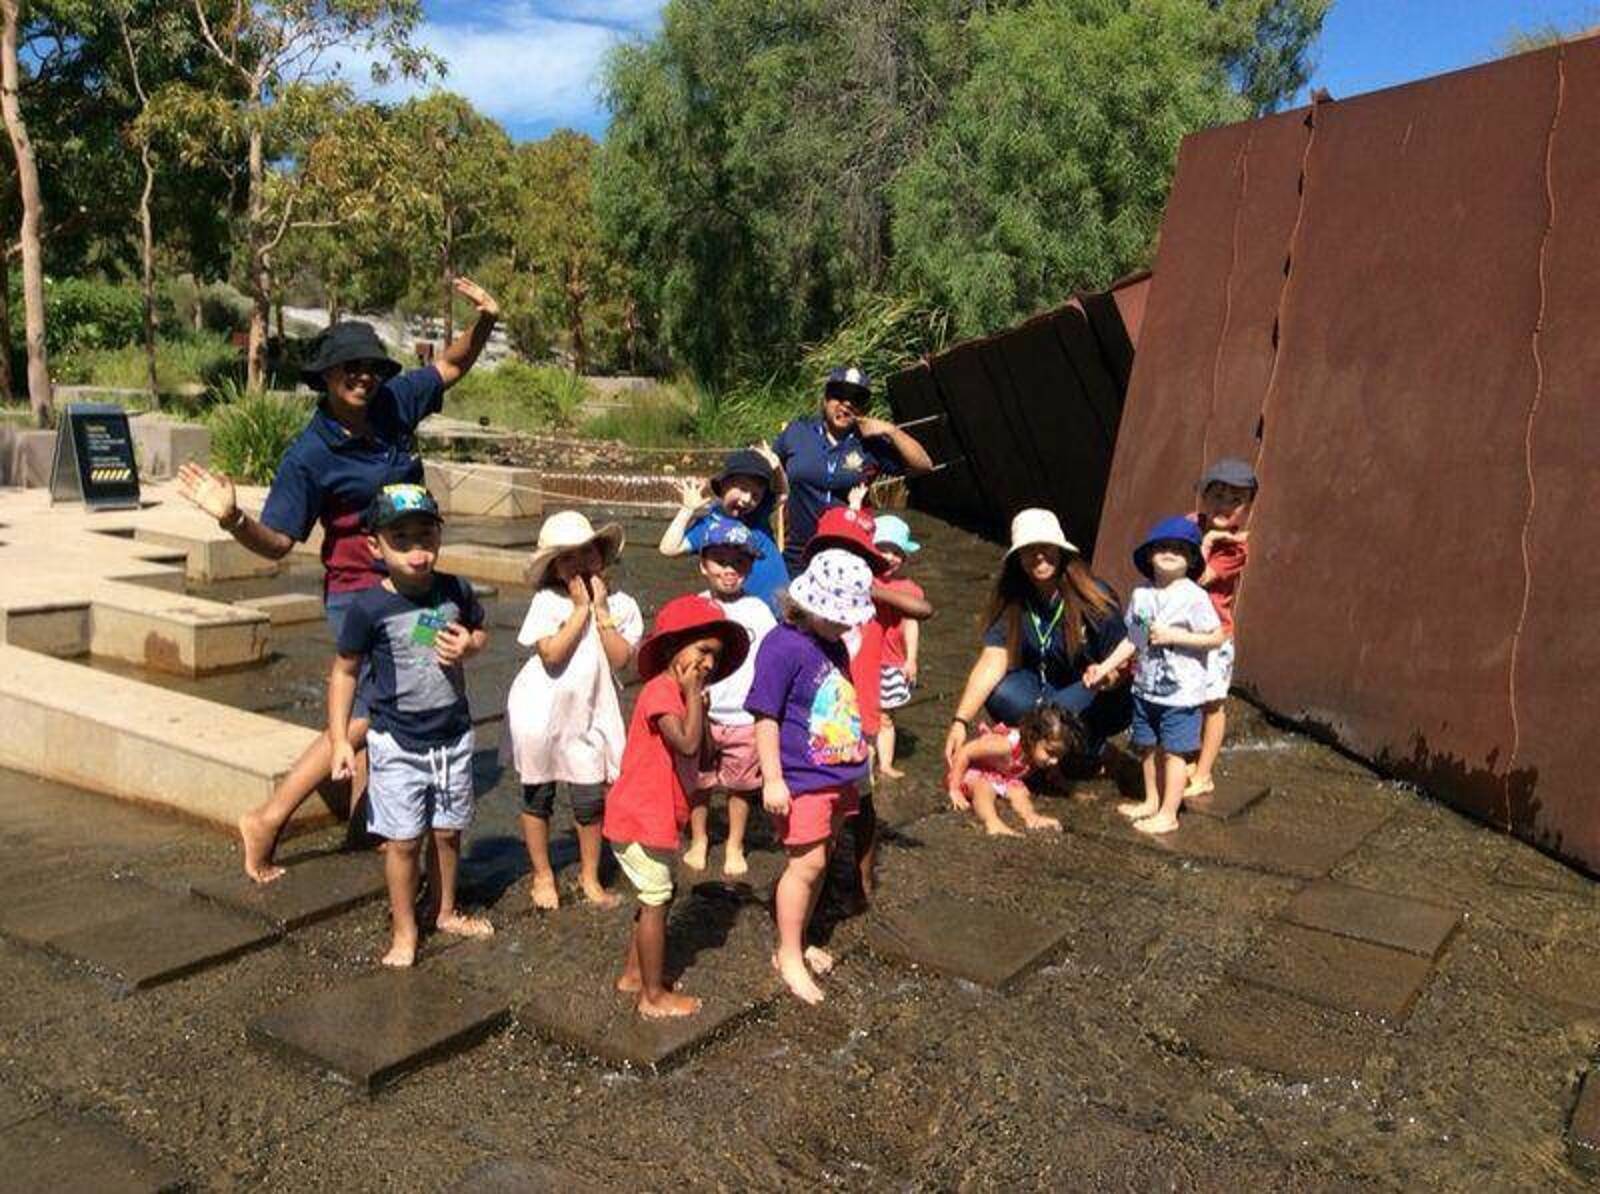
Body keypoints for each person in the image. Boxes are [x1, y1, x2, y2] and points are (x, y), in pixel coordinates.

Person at [176, 279, 501, 883]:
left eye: (371, 367)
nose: (363, 377)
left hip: (415, 583)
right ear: (325, 377)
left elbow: (453, 365)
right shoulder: (310, 455)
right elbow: (278, 542)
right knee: (366, 710)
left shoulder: (394, 402)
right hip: (359, 591)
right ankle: (268, 818)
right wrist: (233, 518)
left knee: (413, 684)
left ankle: (369, 820)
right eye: (350, 368)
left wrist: (485, 319)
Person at [326, 485, 493, 966]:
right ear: (375, 546)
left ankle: (444, 910)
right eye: (400, 539)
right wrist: (340, 739)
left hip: (452, 736)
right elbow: (345, 671)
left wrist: (471, 646)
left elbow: (479, 631)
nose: (417, 551)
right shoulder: (368, 608)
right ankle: (404, 929)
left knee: (448, 833)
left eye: (426, 536)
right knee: (402, 842)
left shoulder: (455, 590)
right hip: (397, 741)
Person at [604, 595, 750, 1019]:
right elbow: (685, 743)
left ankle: (634, 975)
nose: (708, 663)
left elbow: (703, 755)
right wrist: (691, 696)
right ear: (672, 647)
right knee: (657, 898)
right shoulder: (660, 691)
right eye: (702, 651)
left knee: (658, 896)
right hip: (640, 815)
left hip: (656, 814)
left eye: (715, 657)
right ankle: (652, 996)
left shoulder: (685, 697)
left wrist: (699, 706)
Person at [746, 549, 875, 1005]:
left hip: (837, 772)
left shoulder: (833, 643)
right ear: (808, 604)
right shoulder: (781, 646)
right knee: (806, 864)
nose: (843, 627)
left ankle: (798, 941)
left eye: (847, 619)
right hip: (801, 777)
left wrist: (860, 742)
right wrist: (772, 779)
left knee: (821, 858)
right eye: (836, 617)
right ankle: (788, 954)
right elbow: (765, 716)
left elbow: (836, 701)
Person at [504, 511, 642, 910]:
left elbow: (621, 659)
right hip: (540, 711)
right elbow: (551, 653)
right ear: (553, 568)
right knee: (538, 793)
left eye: (587, 552)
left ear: (602, 555)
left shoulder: (622, 605)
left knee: (589, 798)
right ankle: (543, 874)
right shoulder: (547, 602)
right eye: (567, 558)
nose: (580, 563)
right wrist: (580, 609)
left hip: (590, 713)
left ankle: (589, 875)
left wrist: (601, 612)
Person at [800, 505, 931, 902]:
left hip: (861, 714)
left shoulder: (872, 596)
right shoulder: (811, 596)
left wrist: (869, 588)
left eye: (856, 554)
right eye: (835, 552)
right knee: (818, 804)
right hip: (816, 718)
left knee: (864, 799)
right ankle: (817, 878)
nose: (845, 562)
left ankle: (863, 877)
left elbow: (923, 610)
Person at [943, 509, 1132, 779]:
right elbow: (993, 659)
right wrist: (960, 721)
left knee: (1051, 717)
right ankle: (1052, 744)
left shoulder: (1095, 597)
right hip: (1042, 689)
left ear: (1060, 551)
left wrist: (1106, 677)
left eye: (1046, 547)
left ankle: (1089, 746)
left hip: (1092, 691)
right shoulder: (1013, 597)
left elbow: (1123, 664)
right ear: (1018, 558)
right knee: (1001, 693)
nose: (1039, 556)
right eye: (1029, 550)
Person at [1084, 516, 1225, 836]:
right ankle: (1151, 800)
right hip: (1145, 688)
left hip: (1181, 694)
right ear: (1149, 555)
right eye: (1162, 547)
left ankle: (1169, 813)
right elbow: (1133, 640)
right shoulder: (1142, 595)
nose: (1170, 553)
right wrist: (1104, 667)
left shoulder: (1194, 596)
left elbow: (1216, 637)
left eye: (1179, 549)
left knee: (1175, 752)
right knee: (1147, 747)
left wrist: (1175, 636)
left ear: (1191, 559)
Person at [681, 521, 777, 877]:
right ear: (703, 565)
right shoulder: (695, 608)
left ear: (750, 567)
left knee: (741, 785)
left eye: (739, 562)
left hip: (743, 716)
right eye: (720, 560)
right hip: (702, 714)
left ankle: (735, 843)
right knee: (699, 781)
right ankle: (699, 838)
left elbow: (771, 661)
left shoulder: (758, 611)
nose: (729, 570)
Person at [771, 366, 933, 575]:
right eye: (839, 394)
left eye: (857, 398)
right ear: (825, 399)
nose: (847, 403)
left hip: (849, 553)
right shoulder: (797, 432)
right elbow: (769, 469)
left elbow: (923, 465)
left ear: (864, 407)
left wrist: (890, 430)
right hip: (797, 554)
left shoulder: (871, 444)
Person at [1184, 458, 1259, 799]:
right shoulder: (1189, 523)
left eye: (1235, 500)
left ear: (1247, 508)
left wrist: (1207, 542)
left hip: (1214, 636)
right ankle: (1188, 759)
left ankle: (1204, 773)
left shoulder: (1234, 547)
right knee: (1185, 698)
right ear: (1203, 496)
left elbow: (1197, 578)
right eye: (1218, 495)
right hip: (1182, 632)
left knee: (1212, 704)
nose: (1224, 505)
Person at [658, 447, 790, 612]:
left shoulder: (758, 514)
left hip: (784, 609)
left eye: (755, 495)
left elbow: (782, 494)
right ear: (723, 485)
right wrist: (687, 509)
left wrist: (777, 469)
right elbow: (668, 549)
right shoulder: (709, 525)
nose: (747, 499)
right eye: (742, 489)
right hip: (745, 614)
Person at [945, 706, 1079, 836]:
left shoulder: (1038, 754)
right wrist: (954, 788)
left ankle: (1031, 818)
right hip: (969, 771)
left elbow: (1054, 773)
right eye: (1050, 752)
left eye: (1060, 755)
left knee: (1019, 791)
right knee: (985, 786)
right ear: (1032, 738)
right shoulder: (1004, 745)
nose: (1055, 761)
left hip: (1001, 776)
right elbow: (966, 752)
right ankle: (992, 822)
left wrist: (1066, 787)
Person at [870, 515, 927, 778]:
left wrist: (911, 659)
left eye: (897, 552)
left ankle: (885, 763)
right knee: (858, 713)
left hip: (891, 660)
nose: (890, 557)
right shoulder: (863, 578)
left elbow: (911, 624)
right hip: (863, 658)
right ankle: (863, 766)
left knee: (885, 716)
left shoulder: (910, 589)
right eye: (883, 549)